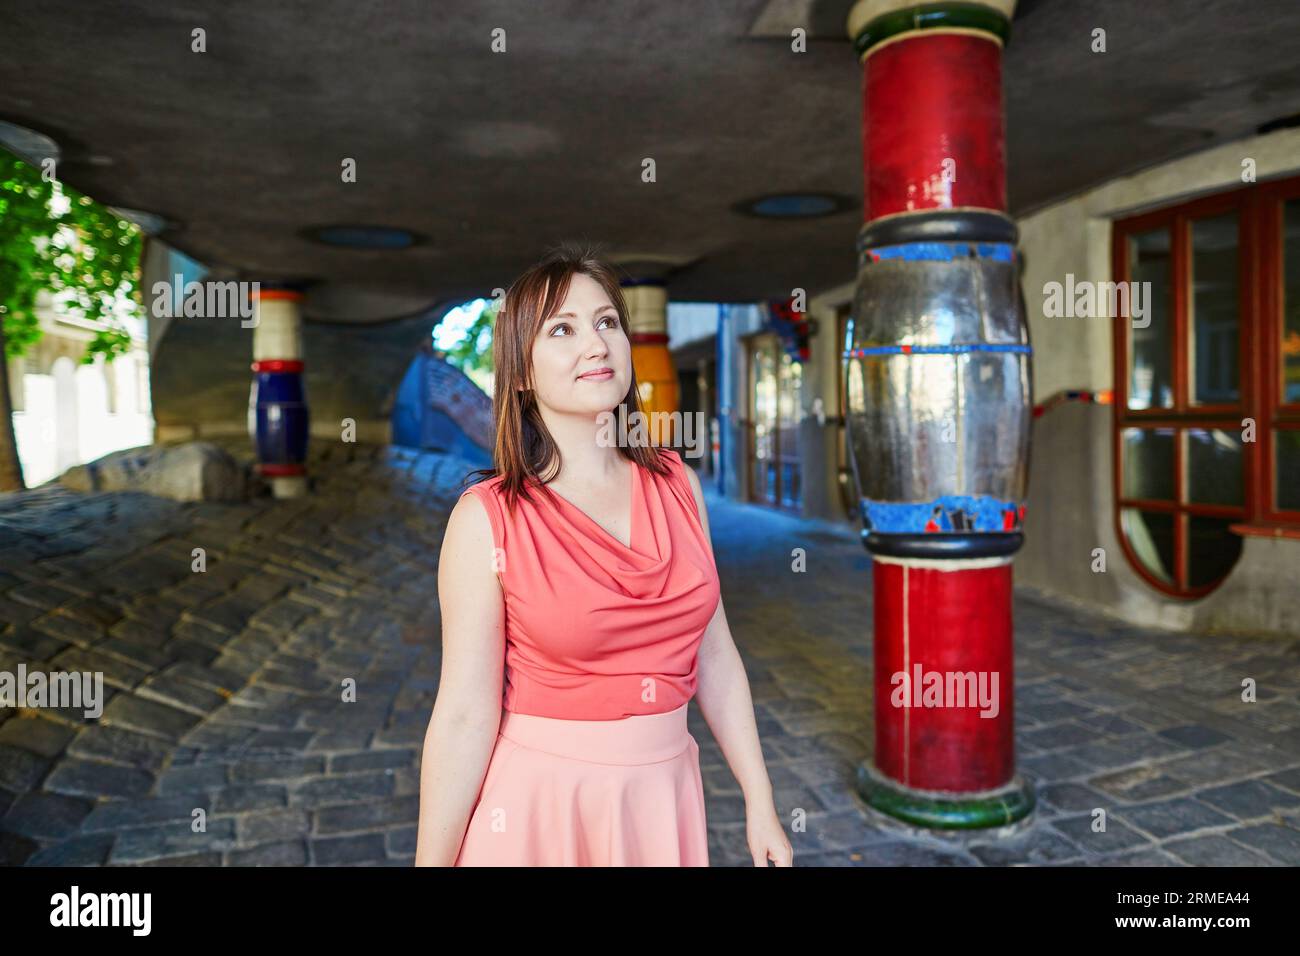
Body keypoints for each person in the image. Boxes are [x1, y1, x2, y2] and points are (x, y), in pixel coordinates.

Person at [415, 243, 792, 867]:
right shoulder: (486, 520)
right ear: (520, 373)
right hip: (541, 810)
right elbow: (462, 714)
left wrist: (761, 798)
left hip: (662, 800)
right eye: (562, 329)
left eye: (607, 322)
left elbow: (715, 653)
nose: (596, 343)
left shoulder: (679, 484)